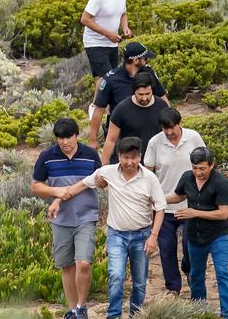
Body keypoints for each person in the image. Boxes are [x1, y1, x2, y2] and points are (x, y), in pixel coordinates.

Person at [65, 137, 166, 319]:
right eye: (125, 157)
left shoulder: (150, 178)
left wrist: (153, 236)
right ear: (119, 156)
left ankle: (136, 315)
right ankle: (114, 315)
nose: (130, 162)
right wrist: (60, 198)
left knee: (140, 283)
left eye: (134, 158)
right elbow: (83, 184)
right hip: (116, 235)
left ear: (140, 157)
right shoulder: (107, 172)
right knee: (116, 276)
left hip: (142, 235)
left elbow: (160, 208)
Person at [31, 118, 102, 319]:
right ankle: (72, 310)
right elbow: (36, 186)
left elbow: (99, 181)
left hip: (86, 217)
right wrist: (57, 192)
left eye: (68, 137)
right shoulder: (47, 156)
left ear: (76, 135)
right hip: (60, 220)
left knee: (84, 263)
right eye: (60, 138)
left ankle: (82, 306)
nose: (64, 142)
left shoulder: (90, 154)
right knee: (67, 266)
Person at [166, 147, 228, 319]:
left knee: (222, 273)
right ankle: (199, 312)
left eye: (202, 168)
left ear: (212, 165)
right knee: (196, 276)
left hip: (218, 236)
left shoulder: (221, 182)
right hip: (194, 236)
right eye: (194, 168)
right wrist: (158, 197)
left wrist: (194, 213)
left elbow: (223, 213)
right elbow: (179, 196)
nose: (198, 172)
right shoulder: (187, 177)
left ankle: (227, 314)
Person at [144, 108, 206, 295]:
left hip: (191, 206)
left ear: (179, 123)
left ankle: (188, 269)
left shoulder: (193, 137)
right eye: (165, 129)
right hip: (164, 206)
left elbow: (205, 162)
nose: (169, 132)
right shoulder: (155, 142)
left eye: (172, 128)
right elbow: (148, 172)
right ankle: (173, 287)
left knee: (190, 246)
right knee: (167, 250)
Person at [89, 42, 168, 149]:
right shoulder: (111, 80)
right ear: (136, 60)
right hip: (121, 133)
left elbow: (163, 100)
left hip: (149, 129)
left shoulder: (149, 73)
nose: (146, 62)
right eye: (145, 58)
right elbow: (98, 110)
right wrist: (93, 140)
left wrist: (171, 123)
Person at [81, 0, 132, 118]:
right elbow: (85, 19)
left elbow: (123, 14)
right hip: (95, 42)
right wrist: (107, 34)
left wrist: (125, 28)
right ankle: (97, 108)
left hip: (112, 42)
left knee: (108, 77)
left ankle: (102, 107)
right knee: (108, 77)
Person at [101, 72, 168, 165]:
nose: (144, 98)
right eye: (140, 94)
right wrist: (103, 167)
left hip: (157, 161)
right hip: (131, 162)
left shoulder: (162, 106)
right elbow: (111, 140)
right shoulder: (121, 109)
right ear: (134, 91)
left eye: (148, 93)